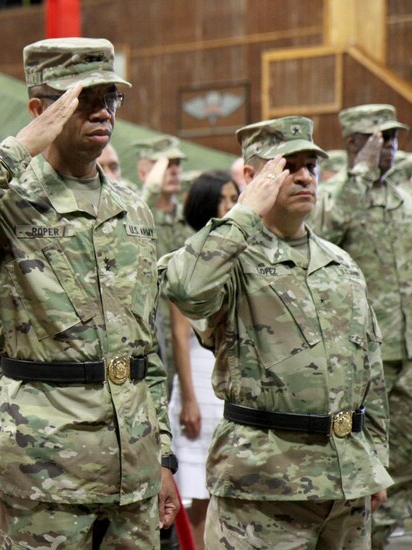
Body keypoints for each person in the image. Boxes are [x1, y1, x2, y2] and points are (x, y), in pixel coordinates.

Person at [0, 37, 178, 548]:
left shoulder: (132, 209)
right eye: (83, 99)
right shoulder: (3, 198)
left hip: (131, 469)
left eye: (110, 98)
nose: (102, 111)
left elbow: (146, 349)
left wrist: (162, 457)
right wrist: (14, 151)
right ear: (39, 110)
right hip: (42, 471)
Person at [162, 115, 391, 548]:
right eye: (289, 166)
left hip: (345, 485)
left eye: (311, 166)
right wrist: (245, 211)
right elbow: (185, 289)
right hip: (264, 489)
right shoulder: (230, 257)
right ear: (252, 176)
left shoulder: (341, 264)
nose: (305, 176)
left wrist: (374, 459)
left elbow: (370, 371)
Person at [309, 104, 411, 549]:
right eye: (378, 139)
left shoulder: (404, 198)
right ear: (353, 143)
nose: (389, 147)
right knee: (368, 469)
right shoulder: (333, 196)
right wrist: (358, 178)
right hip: (366, 357)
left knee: (404, 466)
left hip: (408, 353)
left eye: (392, 138)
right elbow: (319, 241)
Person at [167, 169, 237, 550]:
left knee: (229, 488)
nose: (232, 206)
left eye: (235, 197)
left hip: (229, 381)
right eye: (225, 199)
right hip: (198, 376)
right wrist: (189, 398)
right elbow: (179, 334)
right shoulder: (188, 255)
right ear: (206, 205)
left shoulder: (239, 254)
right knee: (198, 491)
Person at [135, 136, 194, 384]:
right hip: (150, 335)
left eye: (177, 164)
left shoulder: (190, 219)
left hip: (189, 336)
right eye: (165, 163)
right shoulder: (138, 217)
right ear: (144, 171)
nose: (174, 170)